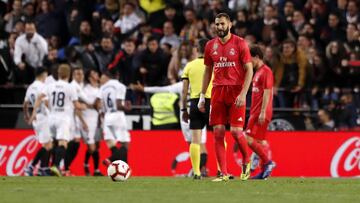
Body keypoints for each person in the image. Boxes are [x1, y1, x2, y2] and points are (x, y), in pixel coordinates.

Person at [198, 13, 254, 181]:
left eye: (222, 24)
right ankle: (223, 172)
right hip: (217, 91)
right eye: (217, 24)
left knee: (236, 132)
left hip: (236, 90)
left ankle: (246, 159)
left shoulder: (240, 43)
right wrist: (202, 95)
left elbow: (249, 69)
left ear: (230, 24)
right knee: (218, 132)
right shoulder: (209, 45)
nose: (219, 27)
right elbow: (208, 71)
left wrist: (244, 93)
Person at [30, 64, 86, 176]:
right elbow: (77, 105)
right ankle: (55, 166)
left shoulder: (50, 85)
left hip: (51, 118)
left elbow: (40, 98)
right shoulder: (70, 87)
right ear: (69, 74)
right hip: (63, 119)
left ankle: (37, 167)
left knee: (49, 145)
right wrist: (84, 106)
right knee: (63, 144)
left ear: (59, 74)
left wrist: (34, 112)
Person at [181, 38, 210, 180]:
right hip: (211, 102)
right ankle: (221, 171)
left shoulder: (189, 66)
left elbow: (184, 91)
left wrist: (183, 110)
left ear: (197, 49)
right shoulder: (215, 64)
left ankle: (197, 172)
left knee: (195, 140)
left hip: (194, 102)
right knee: (219, 136)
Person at [246, 45, 276, 179]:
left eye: (249, 58)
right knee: (258, 142)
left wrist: (263, 111)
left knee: (249, 140)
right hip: (254, 112)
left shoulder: (266, 71)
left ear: (257, 57)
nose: (248, 62)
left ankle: (268, 163)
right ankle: (264, 171)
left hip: (261, 112)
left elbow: (268, 92)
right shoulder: (257, 72)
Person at [96, 70, 131, 165]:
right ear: (117, 75)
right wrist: (127, 108)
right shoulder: (120, 86)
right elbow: (119, 105)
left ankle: (124, 168)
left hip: (107, 117)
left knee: (112, 145)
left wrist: (101, 122)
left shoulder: (102, 88)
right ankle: (110, 159)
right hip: (117, 115)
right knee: (125, 144)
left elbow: (99, 106)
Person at [23, 67, 52, 176]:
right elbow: (45, 102)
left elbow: (25, 104)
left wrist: (27, 115)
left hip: (36, 119)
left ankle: (43, 168)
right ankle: (32, 166)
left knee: (48, 144)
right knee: (47, 145)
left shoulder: (30, 87)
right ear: (43, 74)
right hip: (44, 117)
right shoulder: (43, 87)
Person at [82, 69, 102, 176]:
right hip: (88, 120)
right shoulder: (86, 90)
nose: (97, 75)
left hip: (99, 121)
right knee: (92, 147)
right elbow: (83, 103)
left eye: (96, 73)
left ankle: (96, 170)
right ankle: (85, 164)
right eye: (93, 73)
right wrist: (95, 105)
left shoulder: (101, 88)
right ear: (89, 78)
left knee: (97, 146)